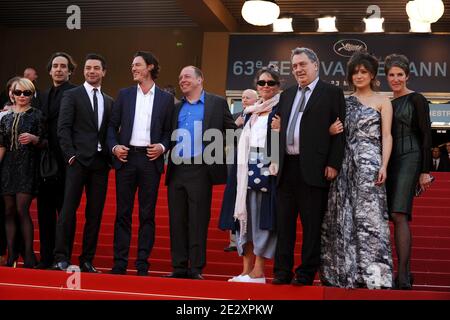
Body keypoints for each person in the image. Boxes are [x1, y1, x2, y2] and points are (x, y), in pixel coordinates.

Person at [272, 47, 346, 286]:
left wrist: (333, 163)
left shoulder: (332, 92)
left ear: (316, 65)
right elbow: (276, 128)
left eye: (302, 64)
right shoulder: (287, 94)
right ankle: (282, 272)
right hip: (287, 168)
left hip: (314, 169)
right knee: (284, 226)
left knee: (312, 226)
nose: (298, 70)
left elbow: (339, 131)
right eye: (294, 66)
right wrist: (274, 158)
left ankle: (305, 274)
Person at [320, 51, 394, 289]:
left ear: (372, 74)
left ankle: (375, 277)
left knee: (370, 219)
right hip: (343, 165)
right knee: (342, 217)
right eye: (355, 72)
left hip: (370, 164)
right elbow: (336, 131)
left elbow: (387, 135)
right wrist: (330, 131)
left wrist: (384, 164)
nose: (359, 76)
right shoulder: (343, 101)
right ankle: (342, 274)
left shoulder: (383, 100)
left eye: (364, 72)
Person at [164, 66, 236, 279]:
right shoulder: (176, 108)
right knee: (177, 220)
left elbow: (232, 131)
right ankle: (178, 267)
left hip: (202, 169)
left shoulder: (217, 103)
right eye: (180, 77)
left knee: (198, 220)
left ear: (200, 79)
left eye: (186, 76)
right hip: (176, 168)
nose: (182, 80)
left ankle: (195, 268)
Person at [107, 51, 174, 276]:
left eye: (137, 64)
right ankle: (120, 263)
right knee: (122, 213)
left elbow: (168, 132)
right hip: (126, 159)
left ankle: (143, 264)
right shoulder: (124, 95)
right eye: (132, 64)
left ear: (151, 67)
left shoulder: (165, 99)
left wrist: (163, 147)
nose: (133, 68)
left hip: (150, 160)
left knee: (147, 214)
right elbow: (111, 126)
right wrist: (115, 147)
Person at [52, 54, 113, 272]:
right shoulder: (72, 95)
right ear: (84, 71)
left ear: (103, 72)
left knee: (94, 214)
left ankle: (87, 259)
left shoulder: (109, 100)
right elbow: (63, 128)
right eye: (88, 68)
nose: (91, 71)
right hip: (77, 162)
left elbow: (109, 133)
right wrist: (70, 156)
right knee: (68, 211)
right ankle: (61, 257)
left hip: (100, 164)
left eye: (96, 68)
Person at [384, 53, 432, 289]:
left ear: (407, 76)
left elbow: (426, 135)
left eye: (399, 74)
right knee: (391, 215)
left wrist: (425, 171)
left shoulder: (417, 99)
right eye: (391, 75)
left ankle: (403, 274)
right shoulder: (387, 103)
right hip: (390, 161)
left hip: (411, 157)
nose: (395, 79)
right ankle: (396, 271)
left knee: (399, 214)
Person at [229, 66, 280, 284]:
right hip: (244, 169)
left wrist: (279, 131)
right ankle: (246, 271)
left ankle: (259, 272)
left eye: (270, 83)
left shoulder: (281, 109)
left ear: (278, 86)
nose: (265, 86)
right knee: (245, 220)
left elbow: (280, 143)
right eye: (261, 83)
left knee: (261, 220)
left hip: (267, 169)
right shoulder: (252, 111)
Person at [35, 52, 77, 269]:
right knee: (45, 212)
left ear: (70, 70)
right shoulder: (41, 96)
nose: (59, 69)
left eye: (63, 66)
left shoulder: (77, 93)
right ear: (50, 70)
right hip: (45, 161)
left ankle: (63, 257)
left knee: (65, 212)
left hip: (67, 161)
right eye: (55, 66)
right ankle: (45, 258)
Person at [0, 78, 45, 268]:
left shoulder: (37, 115)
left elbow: (47, 142)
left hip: (28, 166)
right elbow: (2, 145)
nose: (22, 96)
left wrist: (35, 138)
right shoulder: (6, 117)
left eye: (27, 93)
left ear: (32, 94)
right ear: (12, 94)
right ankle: (11, 256)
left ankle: (28, 254)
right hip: (8, 167)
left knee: (22, 209)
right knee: (8, 211)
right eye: (18, 92)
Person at [220, 89, 258, 253]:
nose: (244, 100)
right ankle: (234, 241)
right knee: (233, 197)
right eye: (242, 97)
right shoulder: (235, 115)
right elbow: (223, 138)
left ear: (256, 99)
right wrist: (236, 125)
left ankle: (253, 240)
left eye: (247, 97)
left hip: (254, 162)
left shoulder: (260, 114)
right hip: (235, 161)